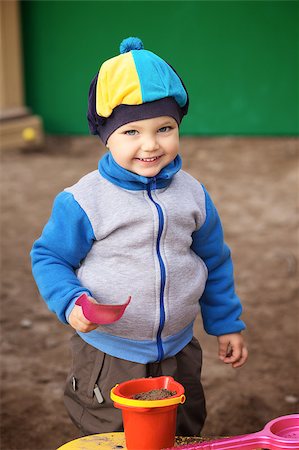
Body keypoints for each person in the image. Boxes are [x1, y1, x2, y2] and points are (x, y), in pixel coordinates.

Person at [31, 37, 248, 437]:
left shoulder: (193, 194)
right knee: (111, 434)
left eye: (164, 128)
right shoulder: (84, 200)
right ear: (106, 136)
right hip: (110, 352)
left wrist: (226, 323)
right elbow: (50, 257)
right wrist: (71, 301)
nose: (150, 144)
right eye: (131, 131)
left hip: (179, 350)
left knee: (181, 429)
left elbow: (214, 260)